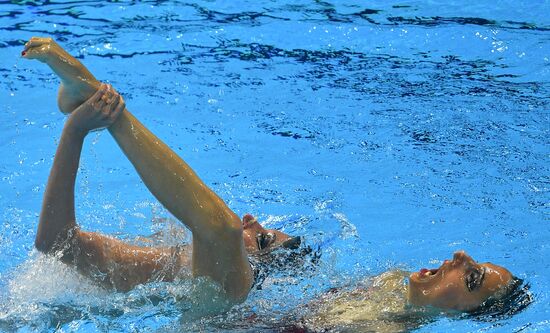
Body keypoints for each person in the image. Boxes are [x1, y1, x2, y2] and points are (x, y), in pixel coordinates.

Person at [22, 37, 530, 318]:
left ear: (463, 314)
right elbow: (57, 245)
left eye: (472, 279)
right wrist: (73, 134)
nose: (460, 257)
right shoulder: (157, 268)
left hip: (218, 322)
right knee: (217, 230)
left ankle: (104, 104)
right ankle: (92, 104)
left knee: (218, 229)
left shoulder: (229, 283)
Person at [22, 37, 299, 304]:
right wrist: (75, 131)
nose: (250, 221)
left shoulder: (231, 292)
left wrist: (91, 119)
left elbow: (221, 228)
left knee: (224, 229)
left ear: (251, 269)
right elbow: (58, 243)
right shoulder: (164, 269)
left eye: (262, 240)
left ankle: (94, 93)